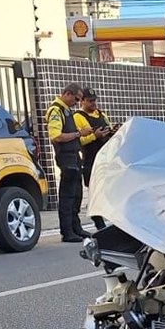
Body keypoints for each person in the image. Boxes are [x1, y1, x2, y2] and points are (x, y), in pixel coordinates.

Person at [47, 83, 92, 242]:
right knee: (67, 197)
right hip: (65, 157)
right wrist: (79, 133)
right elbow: (56, 136)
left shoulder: (66, 110)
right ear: (67, 94)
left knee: (76, 194)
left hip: (74, 156)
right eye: (76, 98)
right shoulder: (56, 111)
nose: (77, 102)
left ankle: (76, 227)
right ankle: (67, 231)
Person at [73, 87, 114, 230]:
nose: (93, 103)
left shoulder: (102, 114)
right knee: (95, 193)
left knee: (110, 191)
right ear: (82, 102)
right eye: (90, 101)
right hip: (90, 161)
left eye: (94, 100)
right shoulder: (78, 117)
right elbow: (78, 141)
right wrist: (94, 136)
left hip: (106, 160)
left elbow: (108, 130)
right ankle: (99, 224)